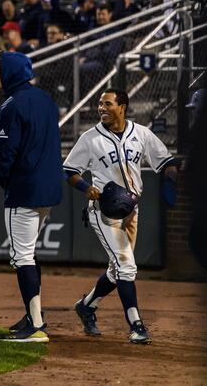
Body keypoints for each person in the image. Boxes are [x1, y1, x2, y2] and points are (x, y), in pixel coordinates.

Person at [64, 89, 176, 344]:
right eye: (100, 104)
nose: (101, 108)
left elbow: (167, 161)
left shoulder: (142, 134)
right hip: (103, 212)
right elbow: (69, 171)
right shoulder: (90, 138)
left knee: (117, 271)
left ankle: (87, 305)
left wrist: (170, 182)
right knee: (127, 267)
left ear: (122, 106)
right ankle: (136, 325)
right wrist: (85, 187)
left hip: (130, 210)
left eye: (107, 103)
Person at [0, 52, 62, 343]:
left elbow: (4, 157)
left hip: (24, 189)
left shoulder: (11, 105)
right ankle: (32, 315)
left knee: (22, 256)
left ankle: (35, 325)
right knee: (29, 252)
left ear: (11, 71)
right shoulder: (46, 99)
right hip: (48, 189)